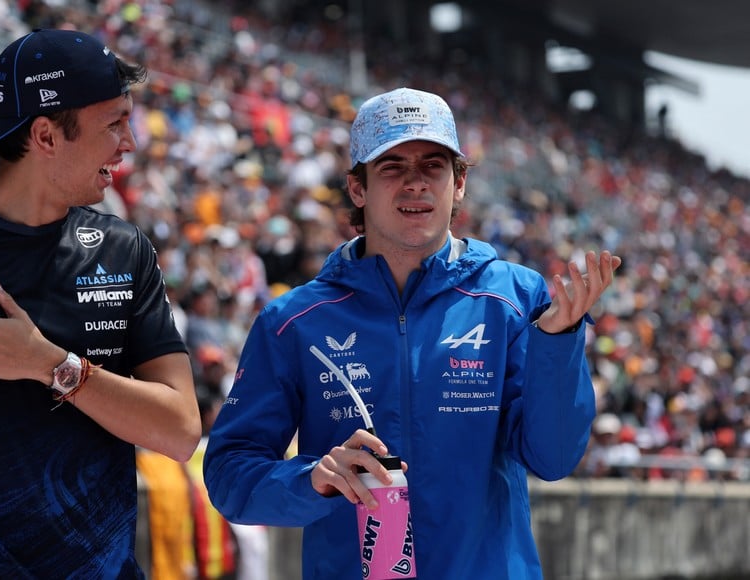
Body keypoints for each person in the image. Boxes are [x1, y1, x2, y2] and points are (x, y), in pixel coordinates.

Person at [203, 87, 622, 579]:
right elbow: (230, 475)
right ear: (357, 189)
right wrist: (310, 478)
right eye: (392, 167)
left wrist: (558, 342)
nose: (415, 184)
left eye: (432, 166)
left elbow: (552, 459)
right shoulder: (294, 320)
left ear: (459, 182)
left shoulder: (515, 299)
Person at [0, 29, 201, 578]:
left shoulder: (125, 250)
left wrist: (52, 367)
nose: (130, 143)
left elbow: (179, 431)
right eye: (113, 125)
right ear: (47, 136)